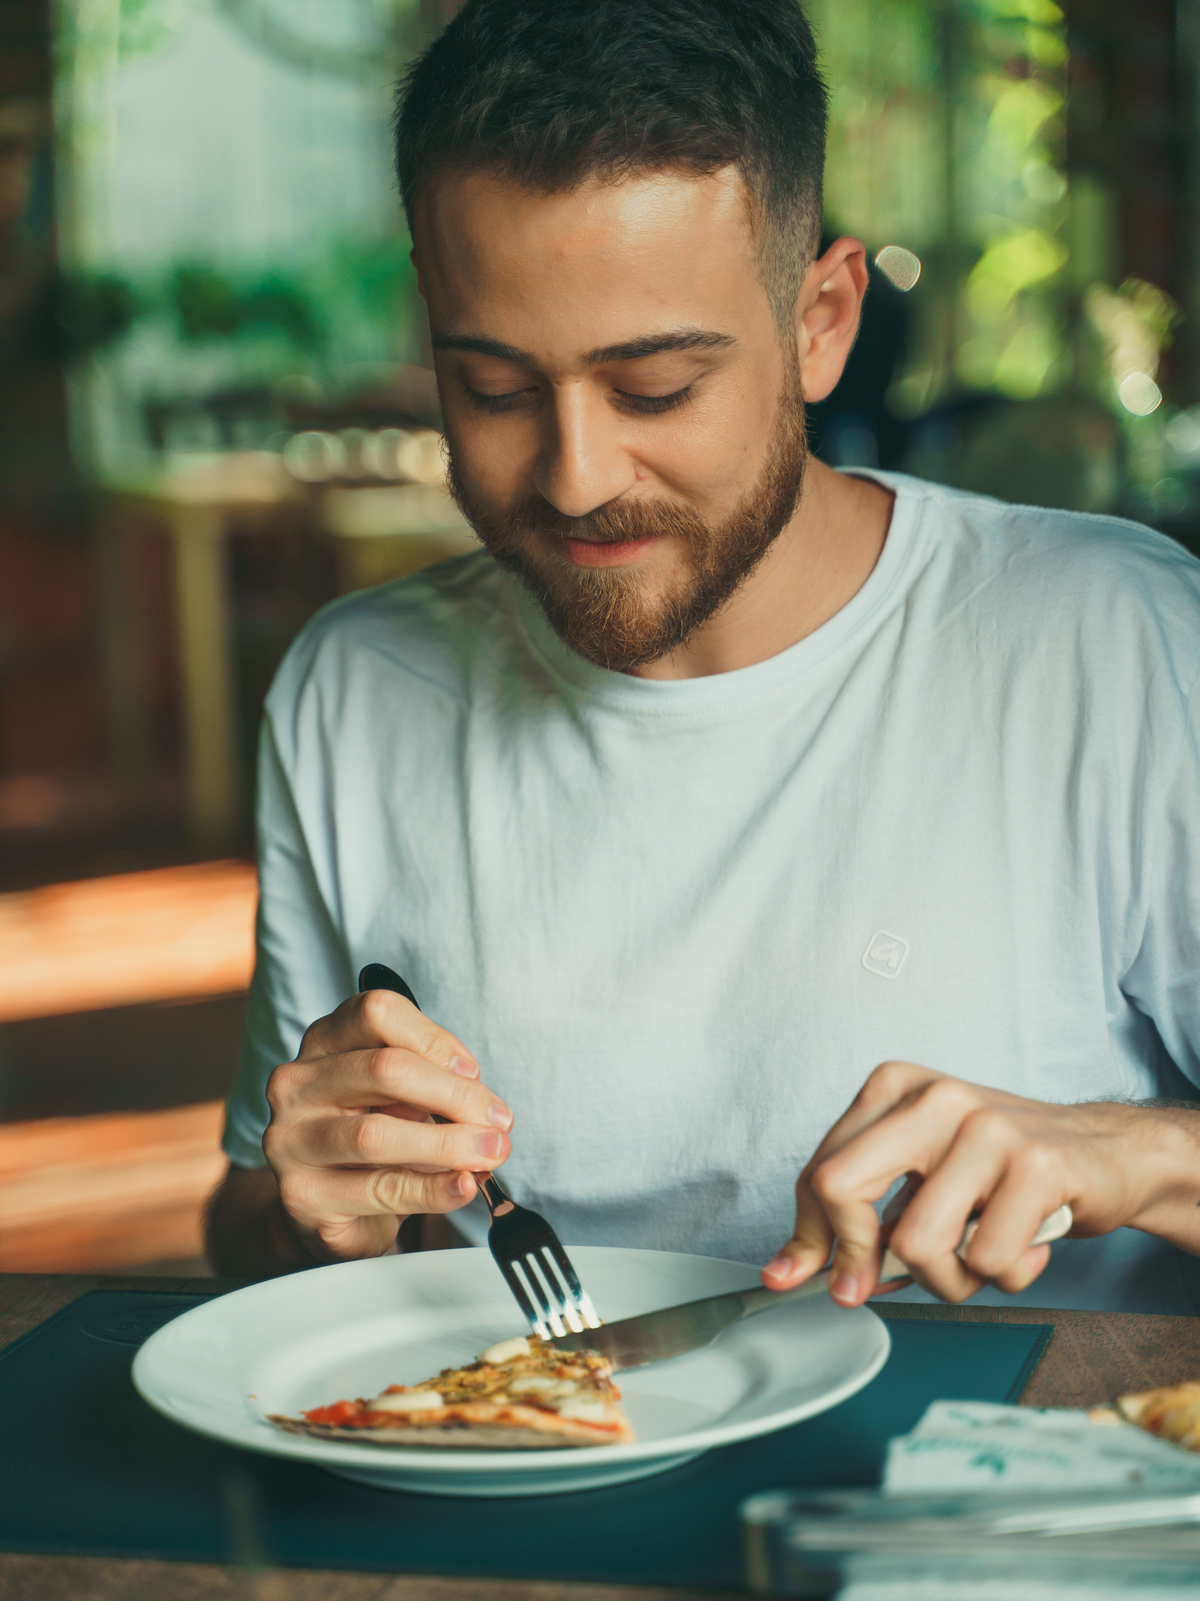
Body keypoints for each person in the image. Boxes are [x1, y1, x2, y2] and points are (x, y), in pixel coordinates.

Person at [208, 0, 1200, 1315]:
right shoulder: (355, 690)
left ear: (822, 319)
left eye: (658, 386)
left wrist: (1138, 1156)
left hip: (1001, 1487)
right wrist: (308, 1210)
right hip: (527, 1468)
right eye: (494, 389)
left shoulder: (1117, 645)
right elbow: (247, 1226)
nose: (573, 477)